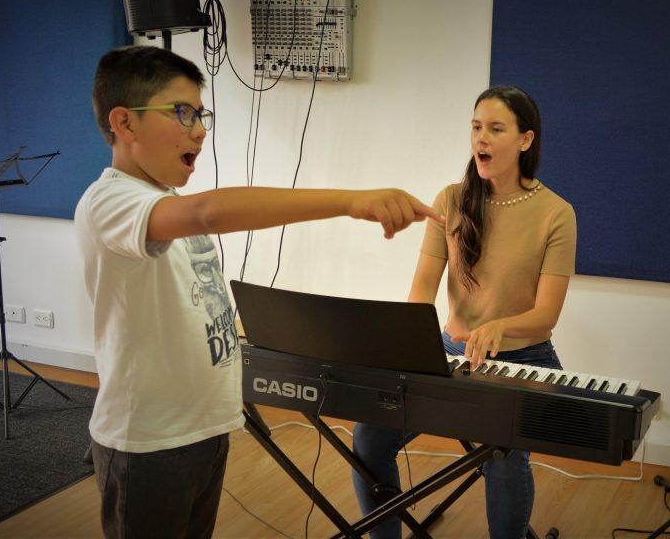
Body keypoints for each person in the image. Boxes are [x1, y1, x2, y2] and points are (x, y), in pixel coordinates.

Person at [75, 45, 442, 539]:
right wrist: (352, 201)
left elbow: (188, 300)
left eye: (201, 114)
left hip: (202, 431)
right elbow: (210, 211)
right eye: (181, 112)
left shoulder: (162, 200)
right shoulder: (110, 201)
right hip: (147, 444)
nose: (199, 129)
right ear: (124, 123)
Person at [351, 86, 576, 539]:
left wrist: (499, 325)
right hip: (450, 352)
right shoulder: (451, 200)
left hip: (523, 359)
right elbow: (420, 294)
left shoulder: (557, 213)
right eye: (476, 128)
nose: (481, 139)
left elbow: (546, 315)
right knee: (370, 437)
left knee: (503, 455)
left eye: (495, 129)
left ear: (525, 141)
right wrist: (408, 345)